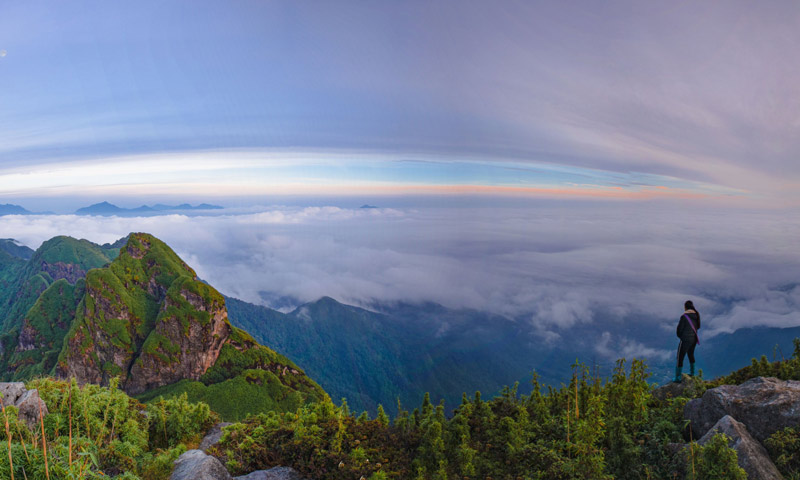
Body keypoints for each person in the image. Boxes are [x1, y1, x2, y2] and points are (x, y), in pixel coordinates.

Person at [673, 300, 700, 382]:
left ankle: (678, 378)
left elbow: (679, 330)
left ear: (685, 307)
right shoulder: (696, 315)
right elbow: (698, 326)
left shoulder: (684, 316)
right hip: (694, 339)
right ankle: (692, 373)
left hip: (685, 340)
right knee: (691, 354)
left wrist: (681, 336)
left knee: (680, 357)